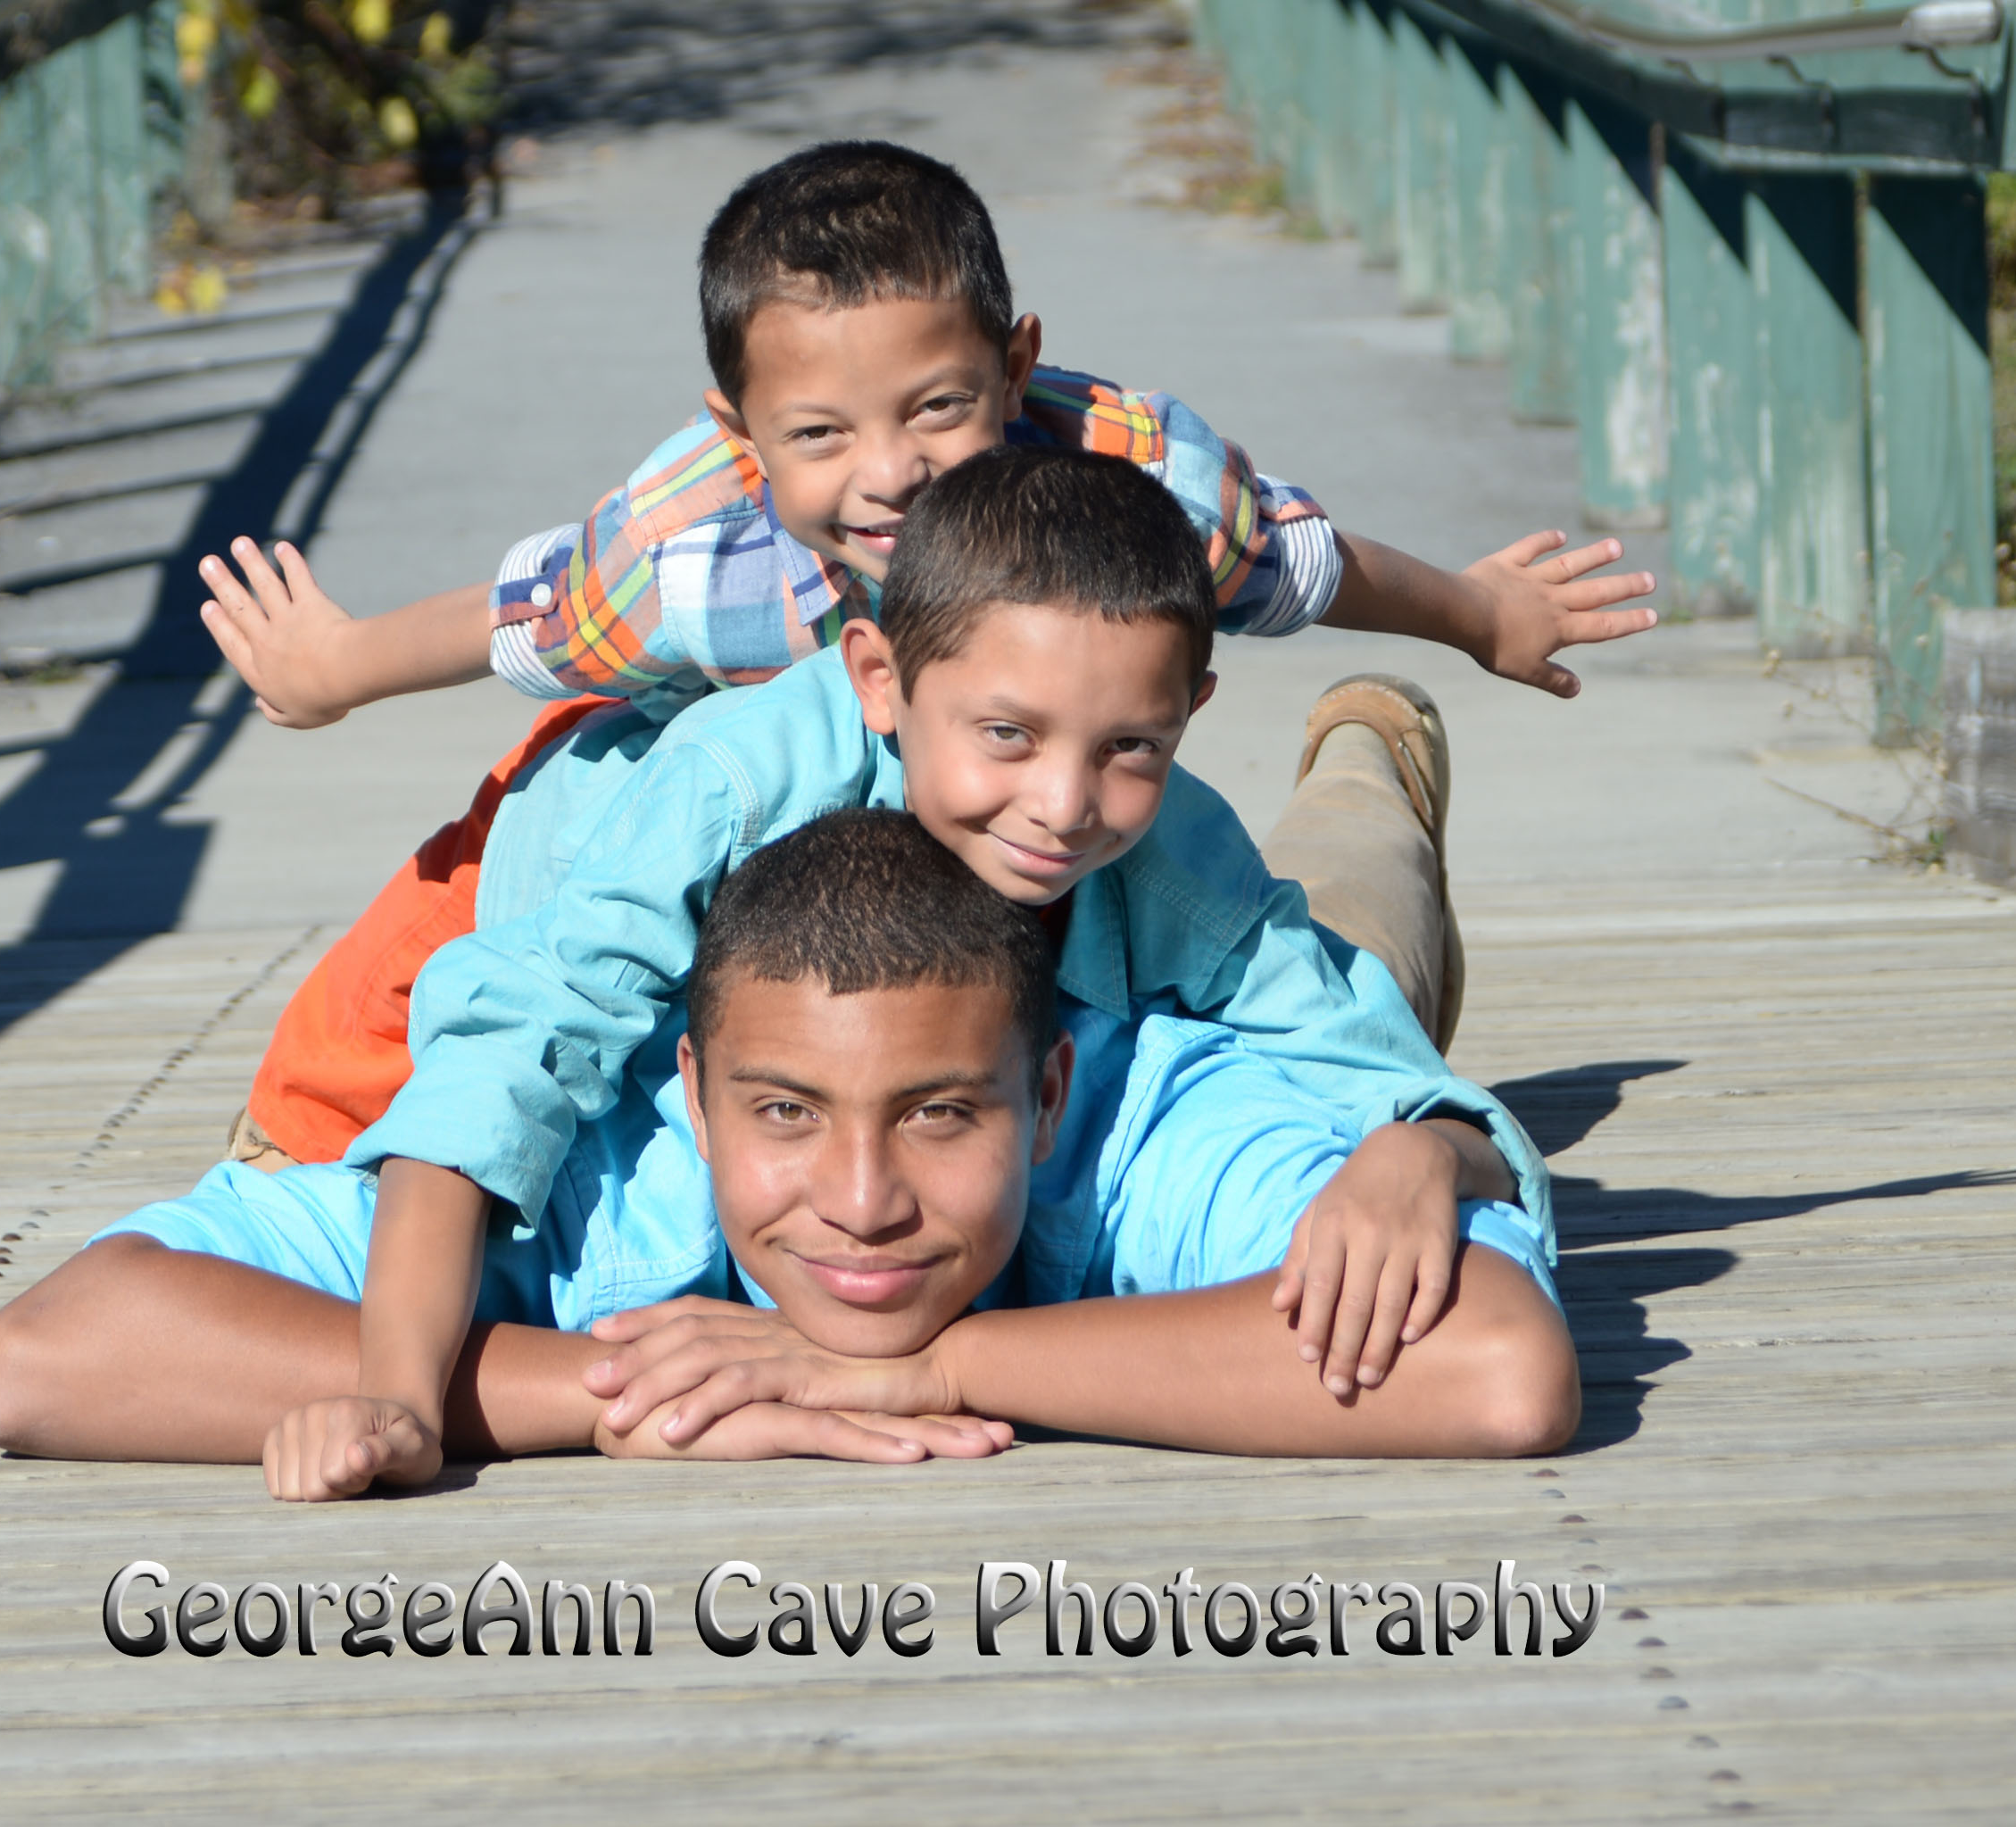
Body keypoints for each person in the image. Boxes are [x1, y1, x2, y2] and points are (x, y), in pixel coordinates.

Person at [203, 138, 1644, 1164]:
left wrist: (1479, 614)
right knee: (492, 876)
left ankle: (1365, 786)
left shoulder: (1129, 486)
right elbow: (524, 618)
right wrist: (336, 669)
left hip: (1014, 812)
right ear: (741, 435)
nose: (889, 474)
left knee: (1223, 996)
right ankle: (313, 1132)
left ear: (1015, 368)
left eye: (939, 408)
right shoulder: (692, 555)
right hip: (741, 804)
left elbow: (1295, 566)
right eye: (822, 434)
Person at [303, 450, 1559, 1495]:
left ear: (1190, 714)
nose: (1064, 805)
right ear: (880, 685)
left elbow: (1376, 1063)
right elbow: (507, 1058)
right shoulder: (731, 795)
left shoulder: (1175, 857)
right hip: (514, 923)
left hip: (1160, 1008)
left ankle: (1368, 762)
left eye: (1132, 745)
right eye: (1008, 735)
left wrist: (1425, 1148)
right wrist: (400, 1402)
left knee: (1365, 936)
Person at [0, 808, 1577, 1482]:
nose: (862, 1205)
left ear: (1049, 1097)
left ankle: (1365, 776)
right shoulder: (616, 1175)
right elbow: (43, 1358)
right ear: (693, 1090)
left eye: (941, 1116)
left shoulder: (1154, 1117)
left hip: (1266, 964)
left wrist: (926, 1372)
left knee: (1369, 929)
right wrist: (632, 1390)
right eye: (786, 1115)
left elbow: (1499, 1374)